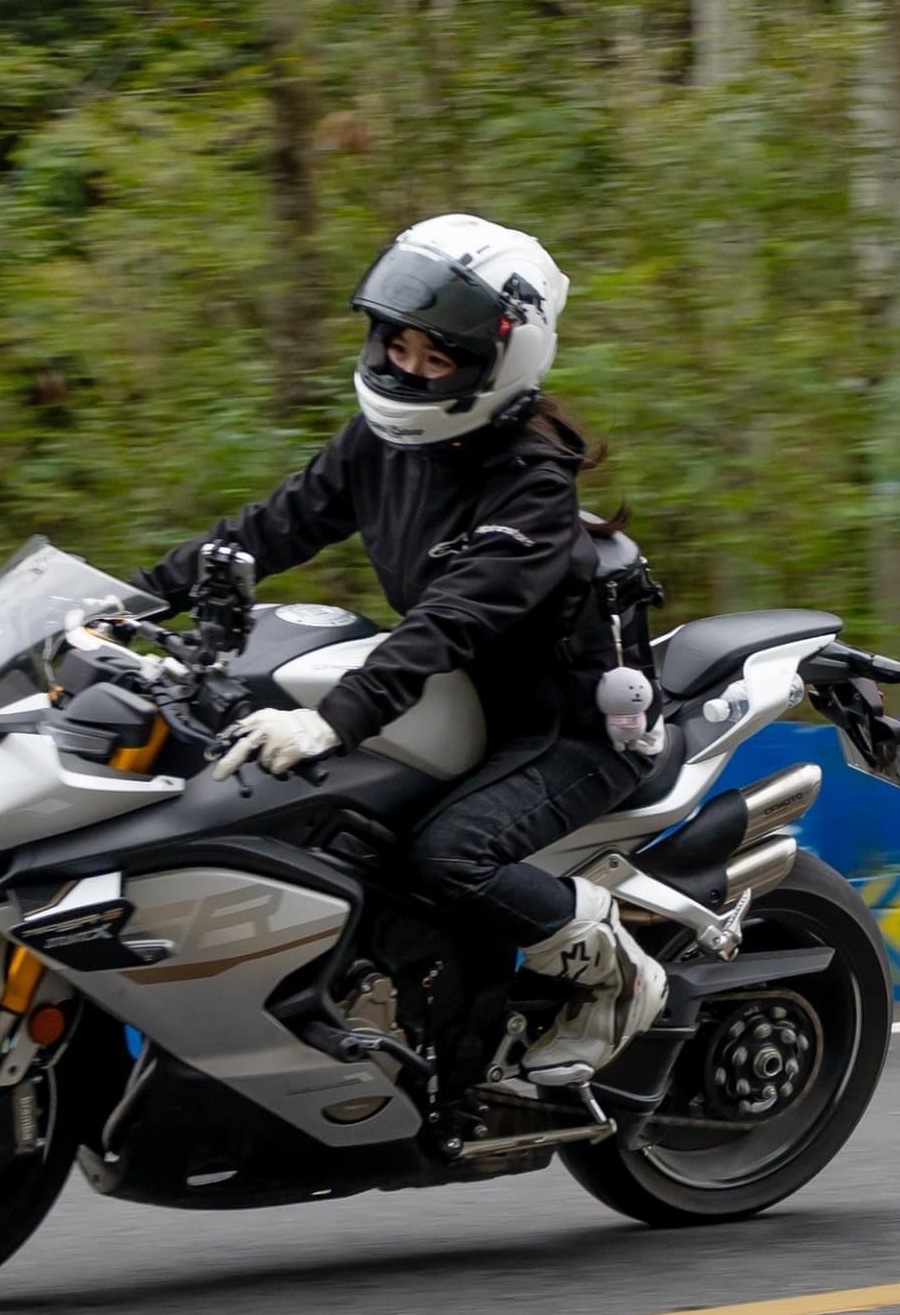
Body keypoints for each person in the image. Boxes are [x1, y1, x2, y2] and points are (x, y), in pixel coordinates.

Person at [130, 219, 666, 1088]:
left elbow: (450, 618)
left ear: (499, 362)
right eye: (398, 345)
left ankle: (618, 970)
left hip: (566, 728)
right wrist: (126, 601)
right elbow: (265, 531)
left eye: (437, 357)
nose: (409, 369)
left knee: (448, 855)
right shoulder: (378, 444)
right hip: (461, 706)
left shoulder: (530, 484)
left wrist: (333, 720)